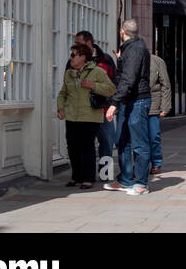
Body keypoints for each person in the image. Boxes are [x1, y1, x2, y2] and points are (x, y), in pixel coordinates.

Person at [104, 19, 153, 195]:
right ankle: (124, 180)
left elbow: (128, 79)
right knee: (122, 140)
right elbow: (124, 76)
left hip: (137, 101)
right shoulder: (130, 49)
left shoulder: (135, 49)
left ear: (121, 32)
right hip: (128, 100)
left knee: (139, 144)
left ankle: (141, 184)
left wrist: (114, 103)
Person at [57, 43, 115, 189]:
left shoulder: (97, 72)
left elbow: (111, 89)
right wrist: (60, 108)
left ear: (83, 57)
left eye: (73, 55)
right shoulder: (69, 73)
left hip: (90, 116)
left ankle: (88, 177)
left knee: (87, 147)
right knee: (72, 147)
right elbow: (63, 93)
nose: (70, 58)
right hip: (72, 116)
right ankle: (75, 176)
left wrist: (93, 86)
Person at [147, 52, 172, 175]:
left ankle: (156, 163)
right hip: (136, 103)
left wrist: (165, 106)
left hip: (153, 104)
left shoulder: (157, 61)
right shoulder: (131, 59)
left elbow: (165, 84)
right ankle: (142, 164)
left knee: (154, 136)